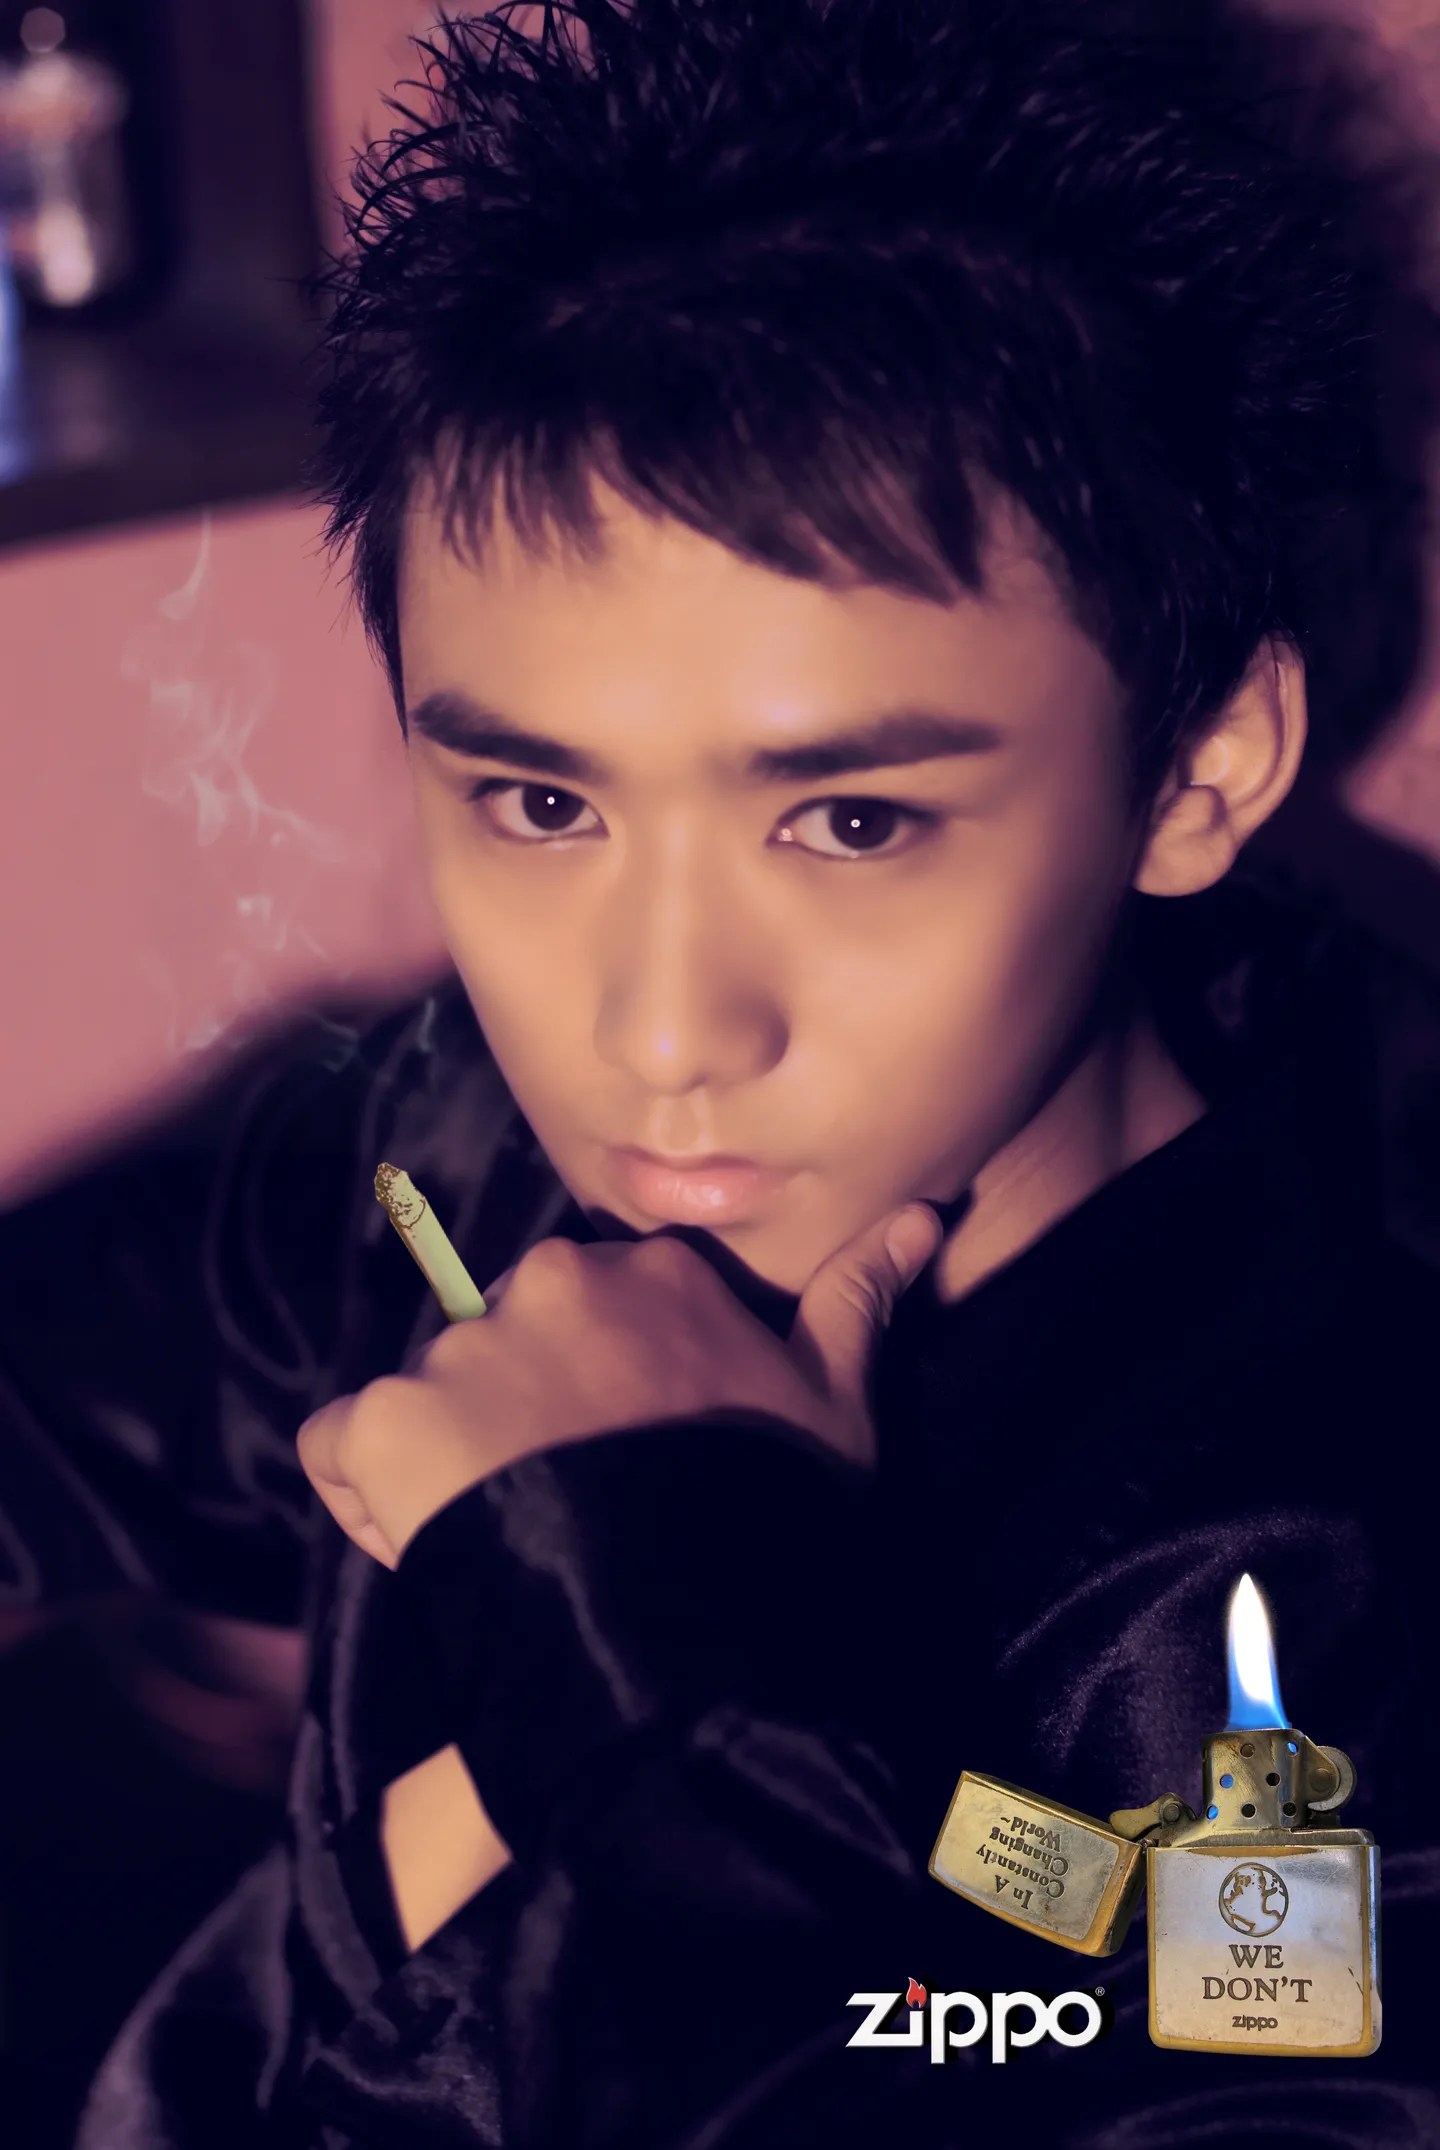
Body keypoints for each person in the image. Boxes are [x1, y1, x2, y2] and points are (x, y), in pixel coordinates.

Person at [2, 1, 1438, 2142]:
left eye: (848, 821)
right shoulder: (447, 1154)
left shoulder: (1319, 1583)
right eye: (541, 805)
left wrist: (632, 1599)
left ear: (1201, 767)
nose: (657, 1036)